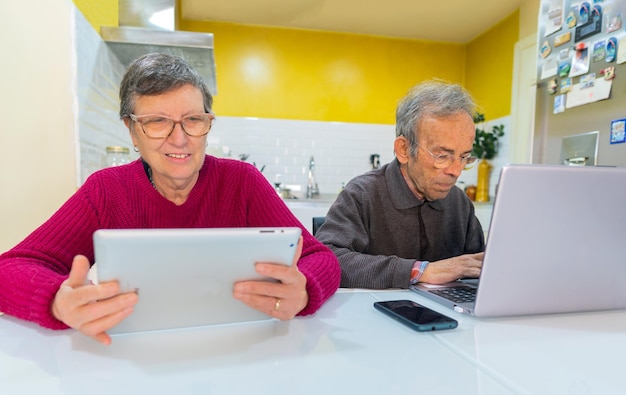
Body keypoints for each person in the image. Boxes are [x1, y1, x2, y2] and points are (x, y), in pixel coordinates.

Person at [0, 53, 341, 345]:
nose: (180, 139)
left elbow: (321, 259)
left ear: (207, 124)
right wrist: (58, 302)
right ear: (131, 130)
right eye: (157, 123)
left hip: (235, 347)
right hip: (131, 355)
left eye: (193, 120)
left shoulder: (242, 182)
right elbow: (9, 269)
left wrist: (306, 290)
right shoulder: (106, 190)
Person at [315, 80, 484, 289]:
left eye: (464, 157)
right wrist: (420, 271)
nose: (455, 171)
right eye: (442, 156)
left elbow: (477, 266)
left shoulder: (459, 203)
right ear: (403, 149)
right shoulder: (362, 194)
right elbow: (326, 261)